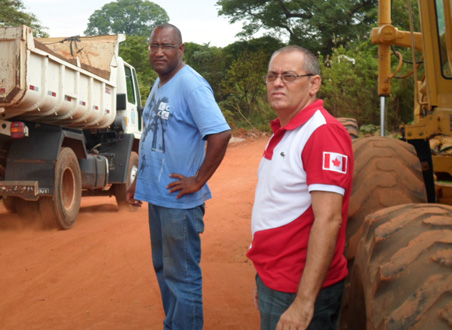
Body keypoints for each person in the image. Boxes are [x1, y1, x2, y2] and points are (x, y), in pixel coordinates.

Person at [125, 23, 232, 330]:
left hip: (180, 202)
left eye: (167, 46)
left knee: (182, 276)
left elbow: (220, 134)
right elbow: (152, 139)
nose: (159, 52)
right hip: (159, 196)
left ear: (181, 50)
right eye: (154, 46)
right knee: (164, 270)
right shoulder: (160, 84)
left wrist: (197, 180)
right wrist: (137, 181)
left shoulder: (190, 84)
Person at [248, 45, 354, 330]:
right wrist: (265, 276)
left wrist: (304, 302)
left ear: (314, 84)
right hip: (277, 279)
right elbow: (277, 206)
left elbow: (329, 219)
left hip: (298, 288)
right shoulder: (286, 131)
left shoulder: (321, 134)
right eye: (272, 76)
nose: (278, 82)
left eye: (289, 76)